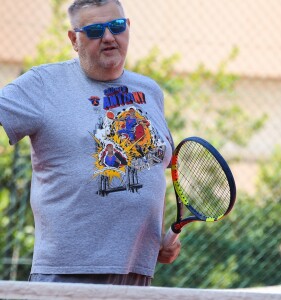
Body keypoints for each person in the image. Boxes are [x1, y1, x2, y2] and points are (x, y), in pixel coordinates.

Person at [0, 0, 181, 286]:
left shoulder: (150, 91)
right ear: (75, 39)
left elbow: (151, 168)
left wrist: (160, 237)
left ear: (128, 28)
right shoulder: (44, 83)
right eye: (95, 30)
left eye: (117, 26)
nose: (109, 37)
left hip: (137, 272)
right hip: (67, 272)